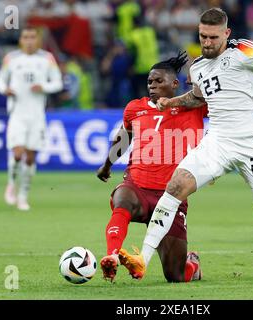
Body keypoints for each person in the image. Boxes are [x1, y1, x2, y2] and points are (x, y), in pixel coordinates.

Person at [118, 8, 253, 280]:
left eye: (213, 37)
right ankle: (142, 258)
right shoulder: (198, 66)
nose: (207, 42)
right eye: (202, 36)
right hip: (218, 142)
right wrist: (173, 102)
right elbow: (199, 97)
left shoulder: (244, 50)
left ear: (226, 33)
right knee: (176, 186)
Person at [96, 51, 206, 282]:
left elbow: (212, 95)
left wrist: (198, 73)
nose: (152, 85)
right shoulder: (135, 108)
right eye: (149, 81)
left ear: (175, 84)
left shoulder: (194, 106)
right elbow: (123, 138)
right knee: (122, 200)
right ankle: (112, 257)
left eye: (159, 81)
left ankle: (192, 265)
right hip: (138, 186)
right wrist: (107, 165)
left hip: (173, 196)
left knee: (175, 276)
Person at [0, 27, 63, 211]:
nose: (29, 41)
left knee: (30, 158)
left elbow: (57, 82)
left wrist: (43, 87)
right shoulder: (11, 58)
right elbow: (1, 80)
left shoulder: (47, 58)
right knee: (17, 153)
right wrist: (4, 89)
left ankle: (23, 195)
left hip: (37, 115)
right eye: (26, 37)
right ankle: (11, 183)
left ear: (38, 40)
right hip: (17, 113)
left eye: (33, 37)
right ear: (21, 40)